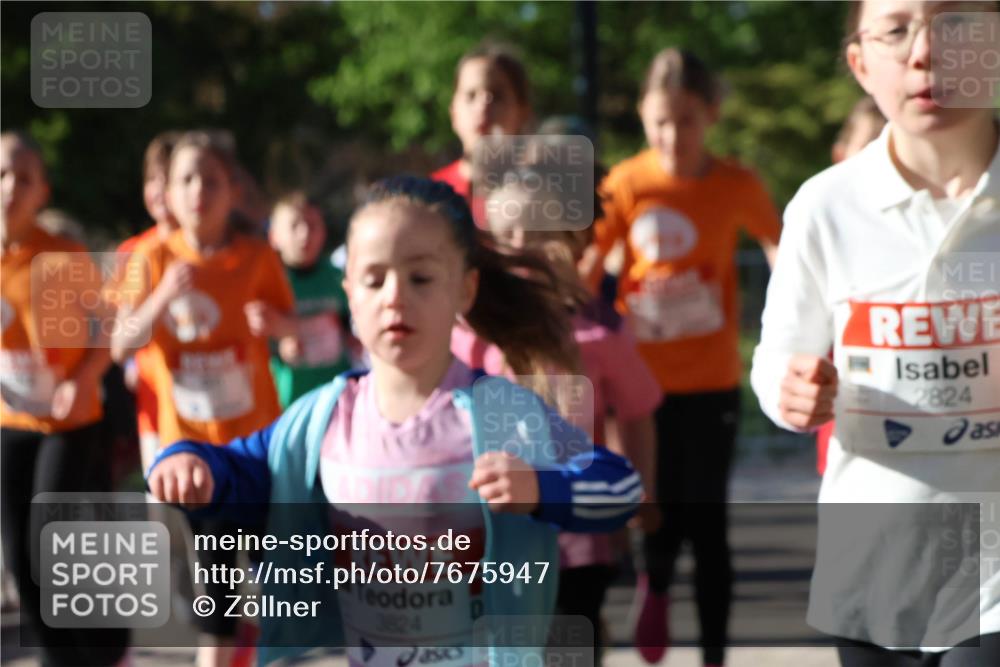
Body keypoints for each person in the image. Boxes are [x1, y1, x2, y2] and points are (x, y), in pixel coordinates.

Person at [145, 176, 643, 667]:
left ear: (465, 290)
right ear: (350, 296)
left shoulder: (501, 415)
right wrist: (190, 461)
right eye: (374, 278)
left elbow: (620, 490)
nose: (394, 296)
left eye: (420, 278)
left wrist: (541, 487)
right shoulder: (324, 419)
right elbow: (244, 468)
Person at [751, 2, 1000, 665]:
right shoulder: (824, 208)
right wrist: (790, 389)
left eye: (955, 24)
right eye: (896, 30)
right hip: (872, 565)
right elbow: (777, 353)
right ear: (861, 63)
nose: (925, 53)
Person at [581, 48, 783, 667]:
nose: (673, 136)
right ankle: (656, 587)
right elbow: (585, 269)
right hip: (641, 387)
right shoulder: (627, 183)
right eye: (660, 121)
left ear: (711, 116)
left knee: (711, 524)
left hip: (712, 378)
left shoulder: (736, 184)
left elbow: (781, 249)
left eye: (687, 121)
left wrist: (800, 321)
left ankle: (715, 654)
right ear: (644, 116)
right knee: (655, 508)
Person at [110, 130, 296, 667]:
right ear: (166, 193)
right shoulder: (149, 257)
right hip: (190, 454)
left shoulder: (258, 256)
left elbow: (294, 336)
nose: (199, 191)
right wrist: (165, 293)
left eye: (210, 180)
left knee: (270, 585)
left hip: (255, 445)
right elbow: (122, 342)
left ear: (232, 190)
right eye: (186, 179)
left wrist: (280, 323)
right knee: (213, 597)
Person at [477, 175, 663, 658]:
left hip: (578, 536)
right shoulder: (471, 328)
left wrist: (641, 494)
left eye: (533, 231)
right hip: (498, 538)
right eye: (503, 234)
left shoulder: (598, 329)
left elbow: (637, 412)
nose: (517, 246)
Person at [0, 131, 129, 667]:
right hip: (12, 420)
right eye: (1, 174)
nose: (9, 187)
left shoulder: (62, 254)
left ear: (42, 192)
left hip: (71, 421)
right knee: (17, 553)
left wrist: (84, 376)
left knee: (52, 542)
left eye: (22, 177)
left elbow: (109, 327)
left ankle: (108, 649)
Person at [815, 96, 887, 476]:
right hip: (848, 440)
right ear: (840, 154)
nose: (880, 159)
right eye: (869, 146)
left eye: (891, 145)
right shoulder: (823, 229)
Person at [267, 191, 354, 407]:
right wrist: (279, 349)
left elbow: (347, 320)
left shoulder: (337, 276)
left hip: (337, 393)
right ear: (274, 236)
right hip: (291, 399)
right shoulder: (268, 282)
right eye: (295, 226)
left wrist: (352, 338)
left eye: (312, 225)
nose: (305, 233)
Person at [432, 43, 533, 227]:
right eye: (471, 95)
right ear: (453, 112)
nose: (483, 107)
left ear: (522, 112)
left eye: (497, 96)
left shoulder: (546, 193)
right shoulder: (431, 196)